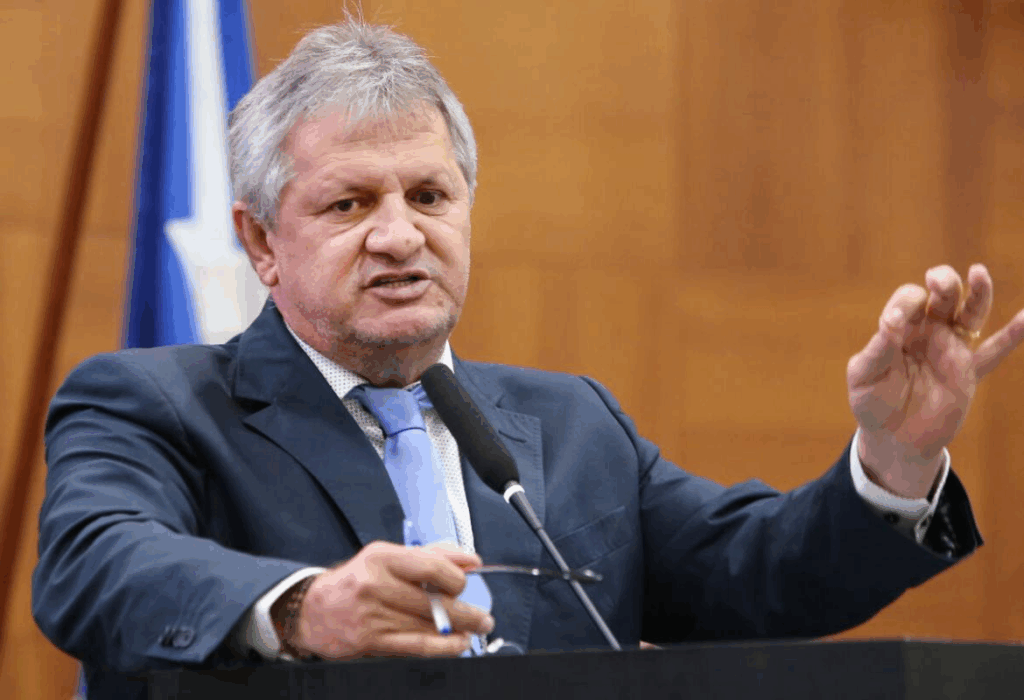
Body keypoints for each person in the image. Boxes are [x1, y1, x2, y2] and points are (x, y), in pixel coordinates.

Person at [32, 19, 1024, 700]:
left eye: (429, 196)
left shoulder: (573, 424)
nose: (399, 235)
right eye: (349, 203)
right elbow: (94, 563)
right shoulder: (153, 404)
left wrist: (895, 461)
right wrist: (301, 609)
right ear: (259, 241)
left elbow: (763, 575)